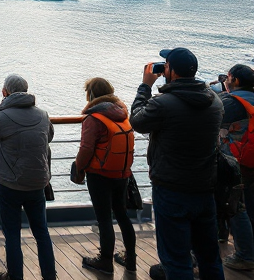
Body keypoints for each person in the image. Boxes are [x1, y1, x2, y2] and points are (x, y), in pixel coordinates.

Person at [131, 47, 224, 280]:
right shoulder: (214, 102)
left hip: (171, 189)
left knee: (176, 259)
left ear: (170, 70)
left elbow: (137, 121)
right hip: (204, 187)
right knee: (209, 257)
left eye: (166, 65)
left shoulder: (164, 104)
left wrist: (145, 86)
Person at [0, 74, 56, 280]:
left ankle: (15, 277)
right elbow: (48, 136)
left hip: (10, 184)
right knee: (41, 232)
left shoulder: (1, 116)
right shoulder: (43, 114)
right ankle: (50, 276)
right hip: (37, 182)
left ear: (5, 92)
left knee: (12, 234)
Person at [70, 77, 136, 275]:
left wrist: (78, 168)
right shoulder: (122, 112)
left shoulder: (94, 118)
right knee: (122, 214)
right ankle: (131, 259)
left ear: (90, 95)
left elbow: (86, 149)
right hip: (122, 173)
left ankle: (105, 261)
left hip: (100, 174)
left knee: (104, 218)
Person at [220, 64, 254, 271]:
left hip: (236, 162)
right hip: (251, 162)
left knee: (235, 208)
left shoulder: (232, 102)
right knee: (250, 206)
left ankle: (245, 255)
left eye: (229, 77)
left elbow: (210, 118)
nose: (226, 79)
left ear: (236, 81)